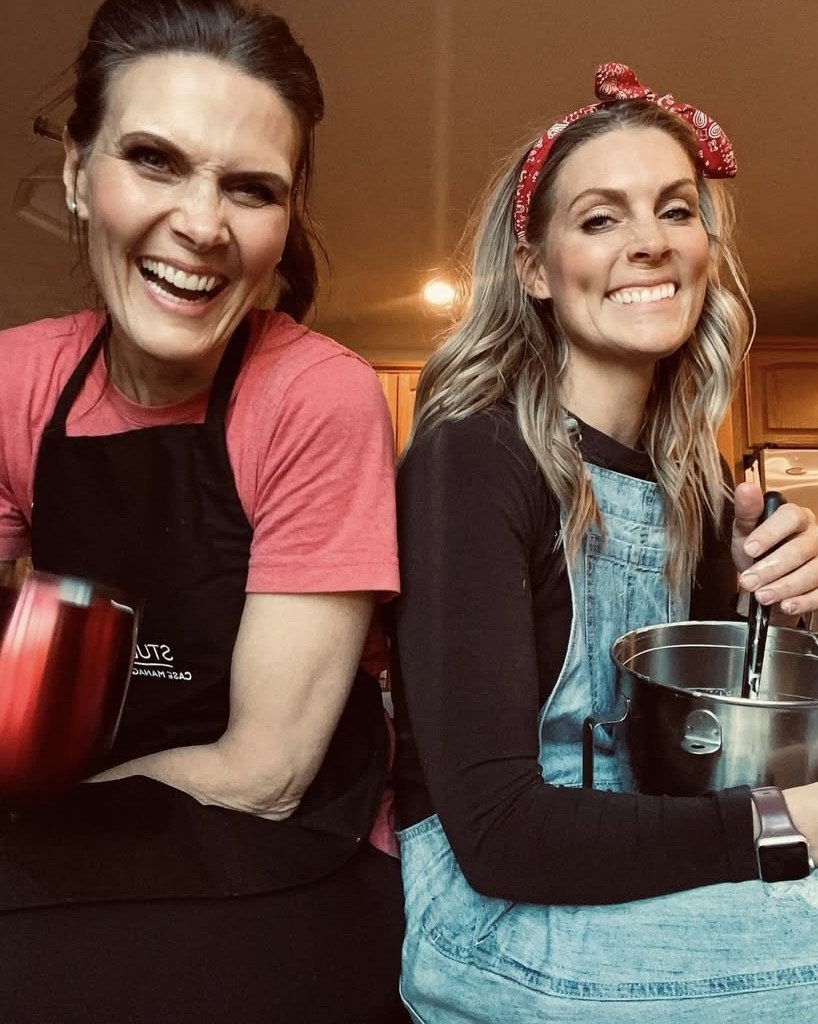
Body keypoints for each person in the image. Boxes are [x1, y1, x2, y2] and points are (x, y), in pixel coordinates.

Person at [0, 1, 407, 1021]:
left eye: (250, 187)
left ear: (283, 224)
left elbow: (264, 769)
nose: (202, 224)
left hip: (285, 836)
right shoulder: (14, 380)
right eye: (154, 159)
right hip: (82, 807)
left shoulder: (318, 395)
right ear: (75, 175)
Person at [391, 63, 818, 1023]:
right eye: (599, 218)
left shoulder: (701, 493)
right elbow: (500, 836)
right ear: (536, 269)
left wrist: (784, 616)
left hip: (645, 873)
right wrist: (791, 824)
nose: (648, 244)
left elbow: (714, 762)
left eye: (676, 209)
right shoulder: (473, 456)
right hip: (490, 917)